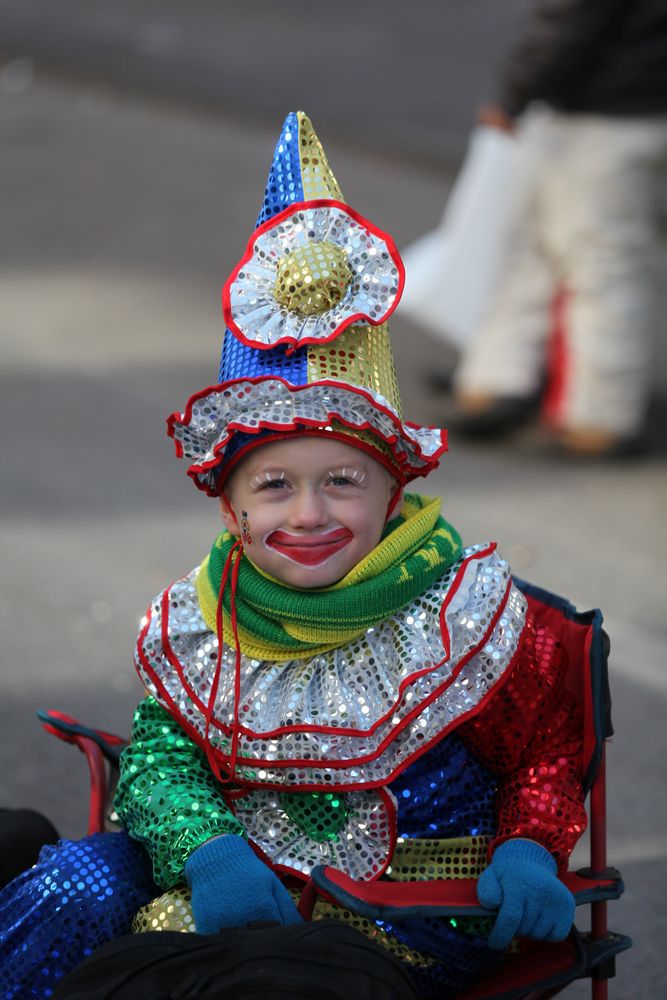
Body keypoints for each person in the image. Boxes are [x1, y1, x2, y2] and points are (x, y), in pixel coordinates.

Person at [1, 112, 586, 1000]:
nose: (309, 513)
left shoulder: (471, 615)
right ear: (231, 509)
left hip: (412, 917)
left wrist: (527, 847)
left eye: (343, 481)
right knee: (68, 887)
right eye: (274, 486)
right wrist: (210, 850)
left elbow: (544, 752)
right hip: (228, 893)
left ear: (393, 494)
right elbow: (162, 761)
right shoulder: (203, 617)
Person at [452, 0, 667, 456]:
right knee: (595, 254)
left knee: (589, 260)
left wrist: (515, 93)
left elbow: (569, 22)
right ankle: (507, 380)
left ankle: (597, 416)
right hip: (640, 107)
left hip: (601, 111)